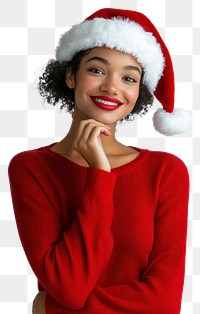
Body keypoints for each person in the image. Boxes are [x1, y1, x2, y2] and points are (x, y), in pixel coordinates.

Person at [8, 8, 191, 314]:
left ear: (138, 92)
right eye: (96, 70)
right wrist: (100, 177)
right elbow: (69, 287)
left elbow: (164, 302)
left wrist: (51, 308)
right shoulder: (31, 168)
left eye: (129, 77)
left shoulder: (165, 172)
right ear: (70, 76)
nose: (111, 87)